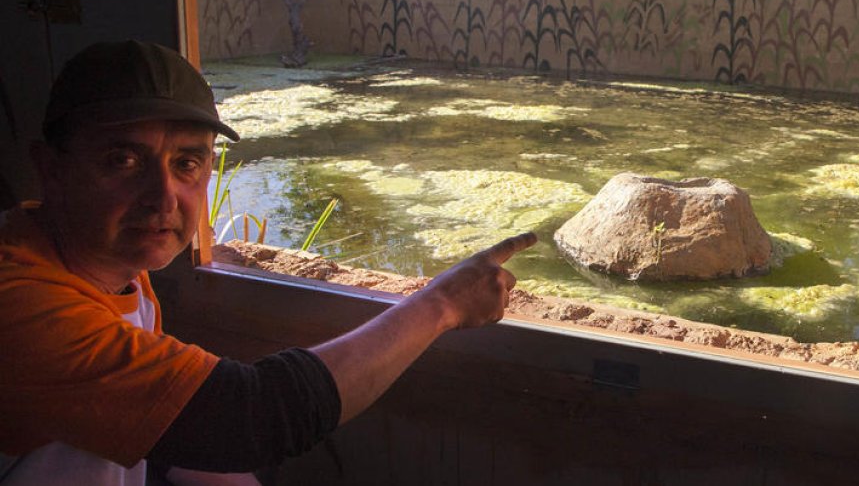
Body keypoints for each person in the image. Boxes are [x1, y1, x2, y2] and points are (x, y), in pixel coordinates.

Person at [0, 40, 536, 485]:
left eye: (187, 162)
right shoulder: (22, 306)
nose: (163, 198)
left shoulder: (108, 257)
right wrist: (441, 303)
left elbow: (153, 427)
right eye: (123, 160)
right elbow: (251, 416)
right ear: (50, 170)